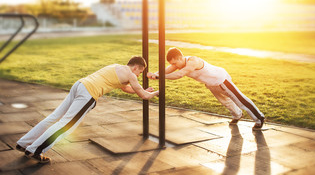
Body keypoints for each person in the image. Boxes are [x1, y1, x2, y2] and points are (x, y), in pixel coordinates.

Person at [16, 56, 159, 163]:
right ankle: (35, 150)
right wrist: (156, 93)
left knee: (54, 117)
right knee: (66, 125)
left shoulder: (116, 67)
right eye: (140, 72)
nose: (139, 75)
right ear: (135, 68)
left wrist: (142, 89)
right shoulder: (131, 75)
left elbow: (127, 88)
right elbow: (143, 95)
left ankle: (23, 143)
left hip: (79, 85)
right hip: (88, 93)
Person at [147, 47, 264, 130]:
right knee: (225, 102)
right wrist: (154, 74)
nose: (174, 66)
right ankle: (237, 115)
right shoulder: (177, 63)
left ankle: (259, 118)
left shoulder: (193, 61)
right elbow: (165, 71)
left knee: (240, 100)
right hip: (211, 84)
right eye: (172, 64)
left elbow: (179, 75)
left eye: (175, 63)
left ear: (180, 57)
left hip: (221, 79)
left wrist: (159, 76)